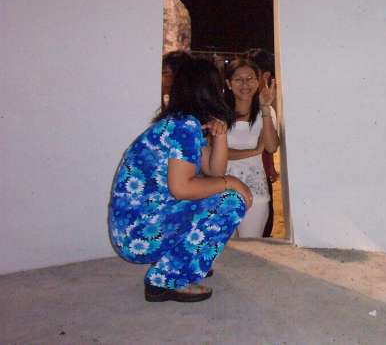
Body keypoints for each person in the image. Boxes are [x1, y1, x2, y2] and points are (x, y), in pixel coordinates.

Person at [109, 55, 254, 303]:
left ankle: (183, 260)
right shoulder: (182, 127)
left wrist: (220, 138)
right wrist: (233, 183)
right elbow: (182, 188)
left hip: (141, 226)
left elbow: (212, 173)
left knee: (222, 193)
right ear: (209, 88)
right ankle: (165, 280)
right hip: (138, 235)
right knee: (231, 200)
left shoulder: (184, 124)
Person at [224, 58, 279, 237]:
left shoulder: (267, 112)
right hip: (220, 189)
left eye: (250, 78)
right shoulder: (219, 112)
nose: (245, 84)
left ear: (258, 81)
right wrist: (254, 151)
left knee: (252, 245)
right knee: (222, 250)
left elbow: (271, 147)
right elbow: (216, 154)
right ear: (228, 83)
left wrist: (265, 108)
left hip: (256, 191)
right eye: (238, 79)